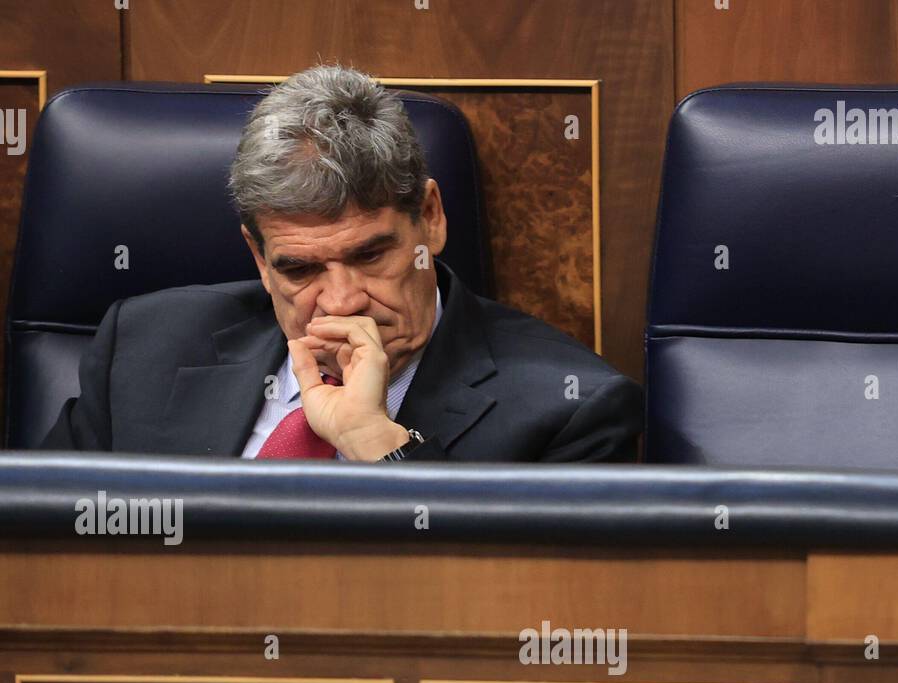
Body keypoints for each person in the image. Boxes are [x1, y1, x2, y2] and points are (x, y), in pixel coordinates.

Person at [43, 63, 643, 463]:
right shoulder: (143, 348)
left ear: (429, 218)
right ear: (259, 256)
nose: (341, 302)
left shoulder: (570, 411)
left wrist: (377, 444)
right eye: (300, 270)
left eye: (369, 254)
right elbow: (37, 555)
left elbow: (509, 618)